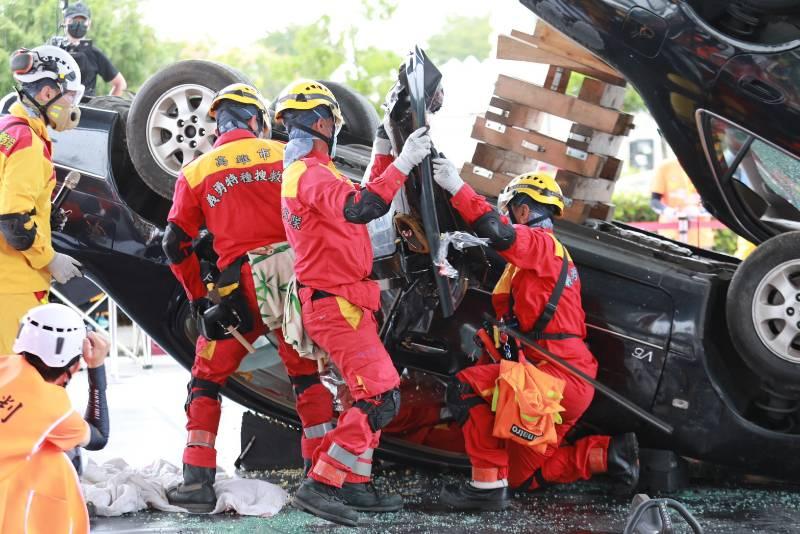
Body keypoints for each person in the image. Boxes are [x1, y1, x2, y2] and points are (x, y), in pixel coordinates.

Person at [162, 83, 334, 513]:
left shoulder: (196, 171)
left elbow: (173, 244)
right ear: (257, 120)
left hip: (239, 290)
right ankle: (322, 478)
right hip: (295, 283)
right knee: (308, 379)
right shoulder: (287, 156)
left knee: (206, 379)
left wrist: (199, 297)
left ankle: (197, 480)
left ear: (218, 122)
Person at [430, 162, 640, 511]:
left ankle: (484, 489)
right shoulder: (536, 260)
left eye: (510, 211)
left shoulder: (542, 246)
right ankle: (607, 454)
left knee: (466, 387)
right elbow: (517, 330)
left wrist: (456, 187)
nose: (507, 218)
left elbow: (499, 234)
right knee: (518, 478)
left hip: (555, 378)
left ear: (524, 210)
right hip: (563, 380)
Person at [277, 79, 431, 526]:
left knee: (359, 393)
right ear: (323, 122)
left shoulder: (307, 173)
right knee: (381, 395)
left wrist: (385, 146)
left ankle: (356, 484)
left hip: (342, 301)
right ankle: (323, 483)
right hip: (336, 303)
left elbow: (360, 193)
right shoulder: (309, 173)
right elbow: (362, 207)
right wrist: (404, 163)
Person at [0, 45, 85, 355]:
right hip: (13, 285)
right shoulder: (27, 142)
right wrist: (49, 259)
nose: (73, 106)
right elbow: (13, 222)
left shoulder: (6, 132)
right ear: (48, 92)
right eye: (70, 97)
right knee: (14, 387)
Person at [0, 303, 110, 534]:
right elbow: (98, 437)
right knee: (58, 456)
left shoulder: (5, 363)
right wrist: (97, 367)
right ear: (77, 362)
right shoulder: (53, 406)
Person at [58, 2, 126, 97]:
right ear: (65, 22)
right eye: (74, 20)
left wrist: (106, 106)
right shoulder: (55, 51)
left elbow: (120, 84)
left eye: (82, 21)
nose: (78, 24)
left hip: (85, 109)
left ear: (89, 24)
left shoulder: (94, 53)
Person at [650, 158, 714, 248]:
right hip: (670, 237)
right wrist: (673, 213)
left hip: (701, 239)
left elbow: (715, 203)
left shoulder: (705, 167)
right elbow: (654, 202)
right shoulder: (665, 166)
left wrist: (699, 211)